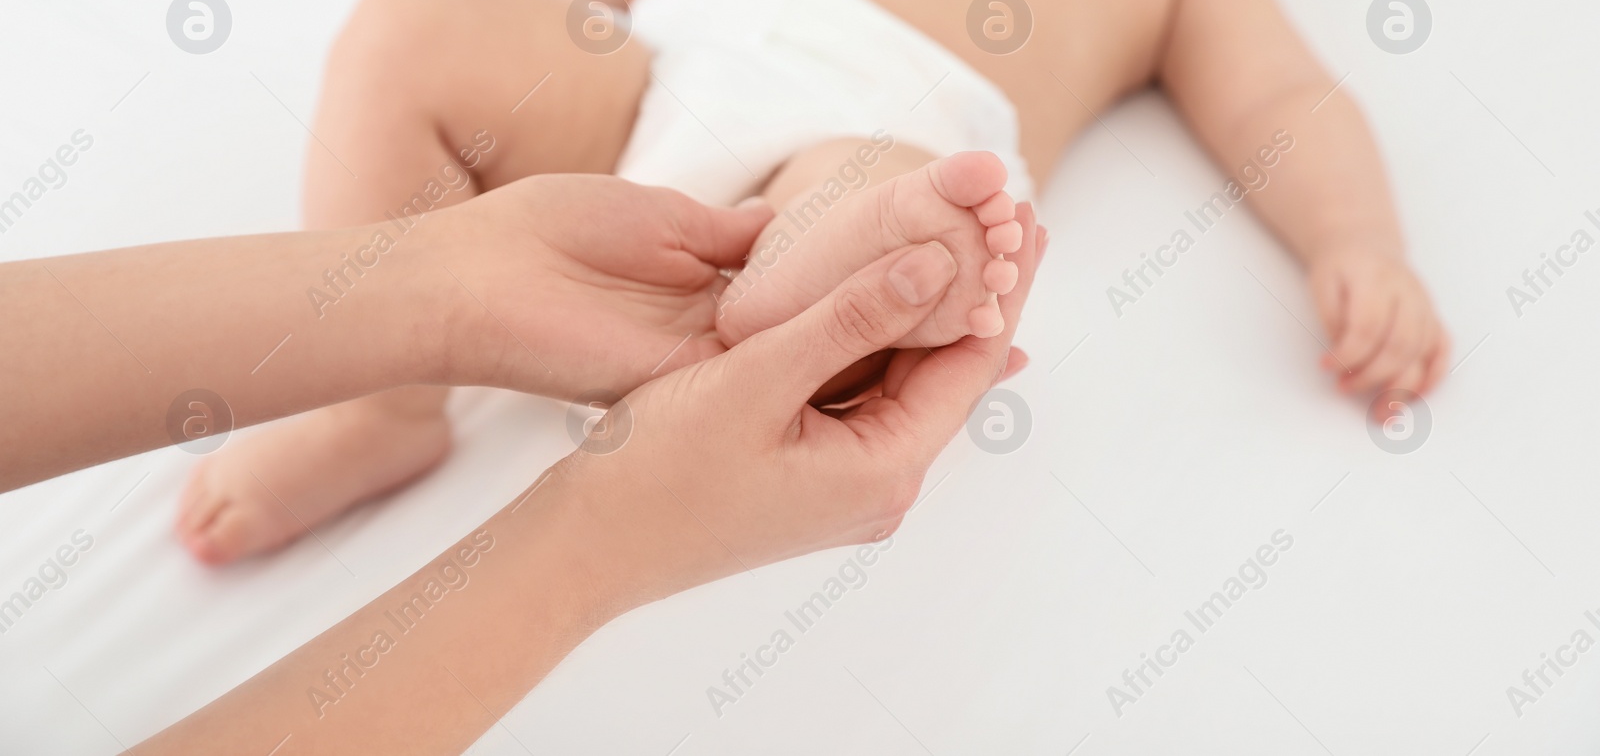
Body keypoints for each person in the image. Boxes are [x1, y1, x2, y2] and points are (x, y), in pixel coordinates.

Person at [179, 0, 1450, 564]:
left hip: (882, 139)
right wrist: (556, 25)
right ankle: (379, 396)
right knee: (408, 24)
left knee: (915, 239)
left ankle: (681, 385)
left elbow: (1284, 101)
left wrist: (1358, 245)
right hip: (661, 62)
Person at [0, 171, 1044, 753]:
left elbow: (1225, 82)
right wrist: (602, 539)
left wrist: (448, 274)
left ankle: (814, 290)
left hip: (795, 160)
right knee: (410, 22)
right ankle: (381, 414)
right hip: (695, 59)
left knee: (872, 175)